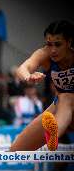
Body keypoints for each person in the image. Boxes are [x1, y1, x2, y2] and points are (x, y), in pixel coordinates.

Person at [10, 20, 74, 151]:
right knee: (15, 151)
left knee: (67, 97)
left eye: (58, 44)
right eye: (49, 44)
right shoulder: (45, 54)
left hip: (67, 103)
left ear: (69, 42)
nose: (53, 50)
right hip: (60, 109)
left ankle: (54, 133)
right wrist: (28, 77)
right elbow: (23, 68)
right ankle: (53, 133)